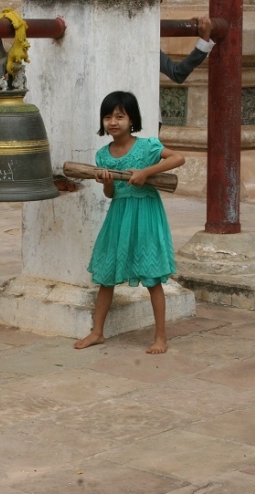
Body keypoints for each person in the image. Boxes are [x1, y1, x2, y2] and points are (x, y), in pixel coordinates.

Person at [74, 91, 186, 354]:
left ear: (131, 119)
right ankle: (97, 332)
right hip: (119, 215)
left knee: (152, 276)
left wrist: (146, 172)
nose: (113, 122)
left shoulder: (147, 146)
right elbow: (111, 195)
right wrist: (109, 183)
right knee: (106, 275)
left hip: (146, 214)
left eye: (120, 116)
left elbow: (178, 158)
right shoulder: (103, 155)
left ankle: (161, 337)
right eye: (108, 116)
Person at [158, 15, 214, 129]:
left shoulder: (143, 43)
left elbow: (177, 73)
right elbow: (177, 73)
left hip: (143, 121)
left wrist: (204, 41)